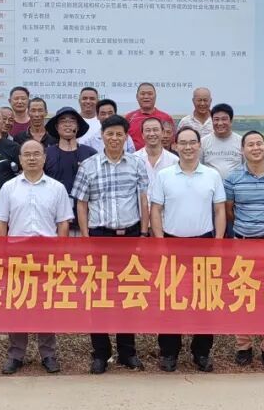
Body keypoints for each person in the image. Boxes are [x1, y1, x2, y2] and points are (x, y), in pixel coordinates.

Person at [71, 115, 151, 374]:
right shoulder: (88, 166)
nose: (114, 138)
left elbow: (143, 199)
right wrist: (86, 237)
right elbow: (81, 203)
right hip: (100, 236)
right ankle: (100, 353)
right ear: (102, 136)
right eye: (110, 134)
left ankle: (128, 352)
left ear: (126, 137)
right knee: (99, 296)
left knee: (128, 293)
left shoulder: (137, 164)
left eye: (119, 134)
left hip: (130, 236)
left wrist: (144, 233)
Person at [150, 127, 226, 372]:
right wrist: (159, 241)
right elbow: (155, 210)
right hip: (172, 243)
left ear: (199, 145)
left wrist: (219, 241)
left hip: (203, 243)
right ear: (175, 145)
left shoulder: (212, 175)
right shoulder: (164, 175)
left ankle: (201, 352)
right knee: (170, 300)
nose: (188, 147)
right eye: (183, 142)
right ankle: (169, 352)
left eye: (192, 142)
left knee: (204, 301)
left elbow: (219, 210)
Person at [0, 140, 72, 375]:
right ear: (20, 159)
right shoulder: (9, 188)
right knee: (18, 304)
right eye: (26, 154)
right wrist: (1, 256)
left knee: (45, 304)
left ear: (44, 158)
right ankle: (16, 354)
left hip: (46, 254)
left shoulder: (57, 188)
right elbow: (1, 224)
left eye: (36, 154)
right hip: (17, 254)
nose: (32, 158)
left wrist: (60, 256)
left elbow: (63, 224)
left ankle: (48, 354)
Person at [224, 131, 264, 369]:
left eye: (259, 143)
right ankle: (243, 346)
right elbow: (230, 211)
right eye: (250, 144)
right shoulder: (233, 178)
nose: (255, 148)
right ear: (242, 150)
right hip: (243, 243)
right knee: (243, 294)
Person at [42, 107, 97, 222]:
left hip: (85, 215)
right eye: (63, 121)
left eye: (72, 121)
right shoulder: (46, 154)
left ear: (78, 126)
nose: (67, 124)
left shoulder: (90, 153)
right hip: (53, 215)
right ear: (56, 127)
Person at [200, 103, 243, 180]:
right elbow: (199, 166)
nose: (220, 123)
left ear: (231, 121)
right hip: (210, 185)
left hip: (235, 185)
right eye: (216, 119)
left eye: (224, 119)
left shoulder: (241, 142)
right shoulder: (203, 142)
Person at [133, 117, 179, 190]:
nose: (152, 134)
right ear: (142, 135)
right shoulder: (134, 159)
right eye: (148, 130)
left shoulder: (174, 160)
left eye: (155, 130)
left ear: (162, 133)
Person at [125, 82, 174, 150]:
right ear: (137, 97)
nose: (146, 97)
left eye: (150, 94)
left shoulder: (166, 118)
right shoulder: (129, 118)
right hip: (134, 156)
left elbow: (172, 143)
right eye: (142, 94)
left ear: (155, 96)